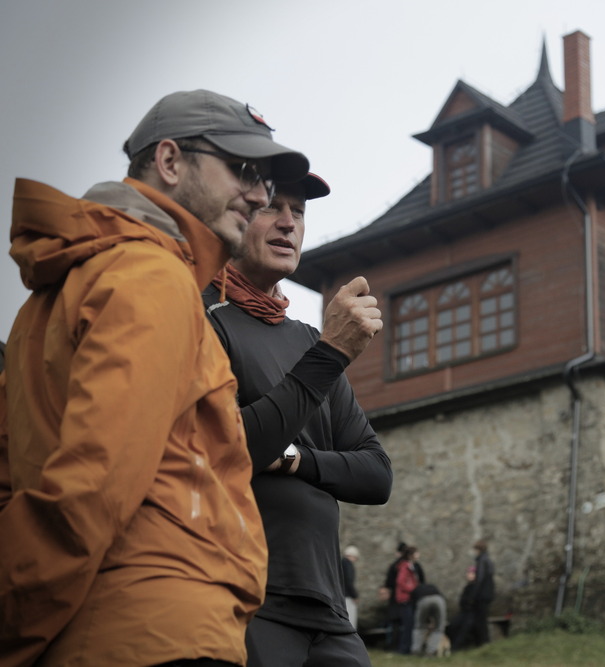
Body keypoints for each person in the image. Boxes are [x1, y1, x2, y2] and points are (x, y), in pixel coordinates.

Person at [0, 89, 309, 666]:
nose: (259, 194)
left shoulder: (51, 298)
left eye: (265, 180)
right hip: (155, 634)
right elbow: (94, 485)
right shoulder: (153, 276)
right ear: (169, 161)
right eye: (241, 169)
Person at [202, 172, 392, 667]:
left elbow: (376, 473)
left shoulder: (310, 340)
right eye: (271, 207)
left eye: (300, 212)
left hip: (328, 608)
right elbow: (234, 449)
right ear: (237, 215)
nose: (288, 222)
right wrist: (331, 354)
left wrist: (294, 459)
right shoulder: (203, 321)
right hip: (247, 597)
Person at [380, 541, 425, 649]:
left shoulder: (406, 565)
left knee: (401, 624)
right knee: (406, 624)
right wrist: (413, 589)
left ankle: (400, 646)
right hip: (404, 598)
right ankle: (403, 648)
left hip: (402, 598)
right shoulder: (405, 566)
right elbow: (400, 582)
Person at [469, 539, 496, 647]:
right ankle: (484, 641)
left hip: (482, 595)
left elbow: (479, 579)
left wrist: (473, 595)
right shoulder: (488, 560)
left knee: (481, 619)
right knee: (483, 618)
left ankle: (483, 641)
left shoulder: (482, 561)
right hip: (487, 593)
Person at [410, 581, 447, 656]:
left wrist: (426, 622)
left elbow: (415, 608)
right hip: (439, 600)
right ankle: (431, 652)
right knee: (438, 628)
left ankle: (415, 650)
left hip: (423, 600)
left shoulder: (415, 590)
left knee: (419, 627)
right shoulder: (432, 586)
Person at [449, 566, 478, 650]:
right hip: (464, 612)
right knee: (452, 625)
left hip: (471, 613)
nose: (469, 575)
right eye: (468, 573)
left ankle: (456, 647)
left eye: (471, 573)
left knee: (465, 628)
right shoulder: (468, 587)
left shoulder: (476, 587)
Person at [343, 545, 362, 629]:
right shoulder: (348, 564)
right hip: (347, 597)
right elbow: (349, 581)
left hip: (340, 596)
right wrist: (355, 596)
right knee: (351, 621)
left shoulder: (340, 563)